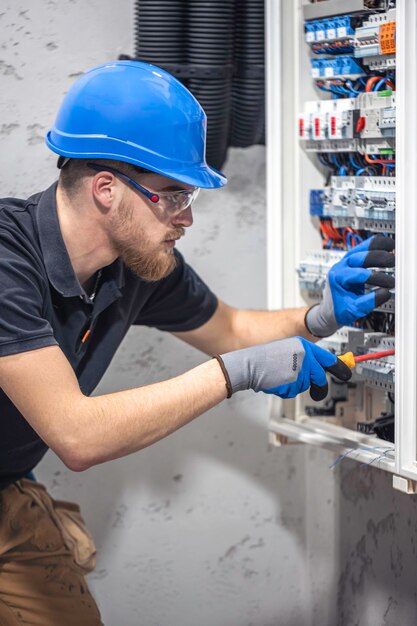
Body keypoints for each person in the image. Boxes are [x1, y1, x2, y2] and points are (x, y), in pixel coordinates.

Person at [0, 61, 395, 625]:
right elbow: (76, 435)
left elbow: (230, 330)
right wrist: (232, 374)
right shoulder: (7, 264)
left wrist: (319, 316)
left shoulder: (135, 266)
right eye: (172, 196)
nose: (185, 218)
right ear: (107, 190)